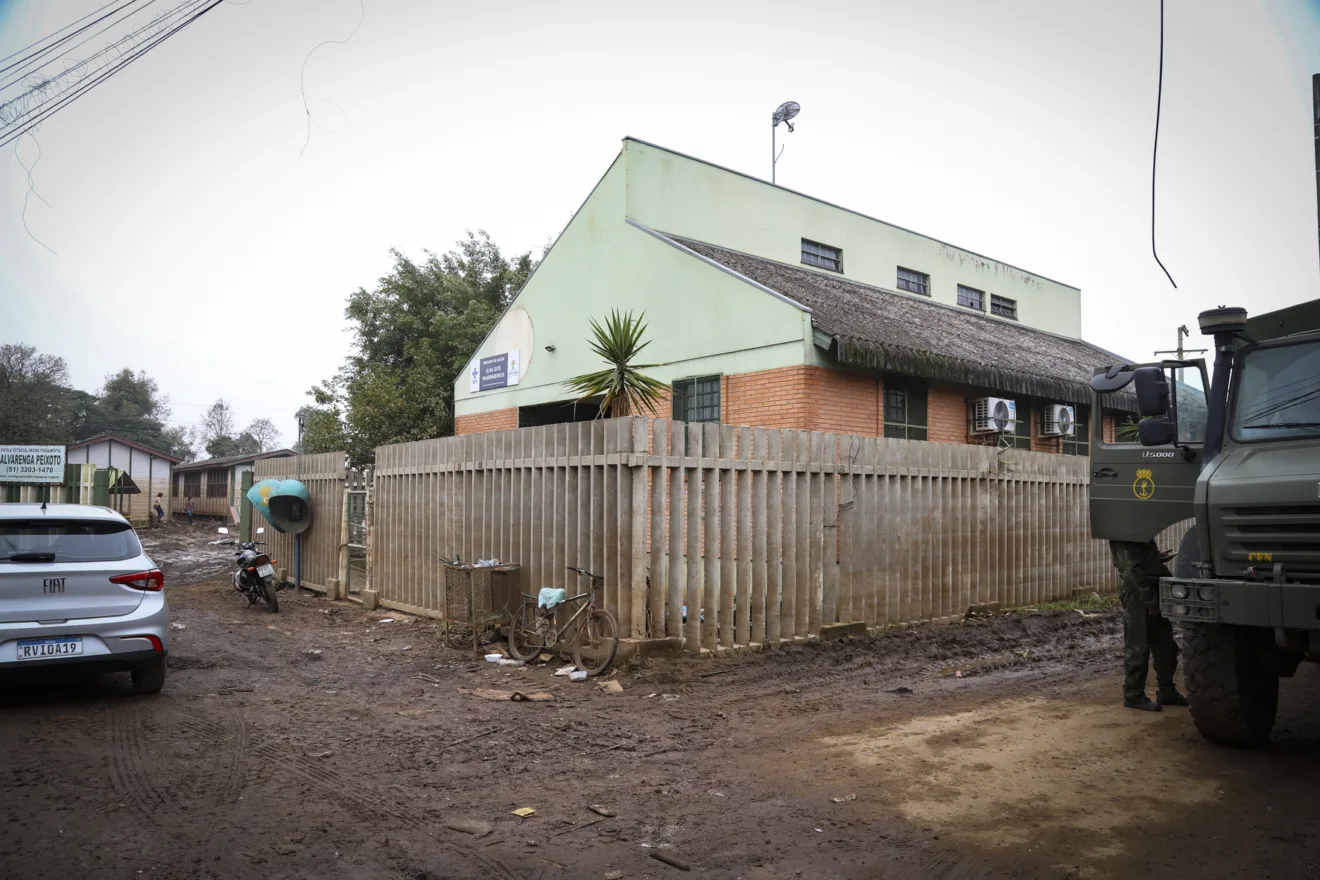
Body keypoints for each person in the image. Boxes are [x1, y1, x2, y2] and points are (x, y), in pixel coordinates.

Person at [1109, 540, 1187, 711]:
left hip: (1152, 587)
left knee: (1165, 645)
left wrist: (1155, 558)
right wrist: (1149, 600)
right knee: (1138, 646)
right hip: (1139, 592)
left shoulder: (1139, 528)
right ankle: (1133, 695)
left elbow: (1139, 560)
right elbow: (1130, 570)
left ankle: (1167, 690)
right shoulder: (1123, 531)